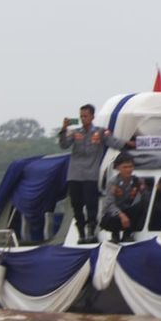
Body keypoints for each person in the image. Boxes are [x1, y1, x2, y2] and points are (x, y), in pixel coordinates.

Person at [59, 104, 133, 244]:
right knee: (77, 206)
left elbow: (114, 142)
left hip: (90, 175)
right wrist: (64, 129)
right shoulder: (75, 133)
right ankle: (81, 234)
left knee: (91, 205)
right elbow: (64, 145)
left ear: (92, 116)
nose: (83, 119)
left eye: (85, 116)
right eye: (81, 116)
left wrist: (130, 144)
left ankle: (91, 232)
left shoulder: (100, 132)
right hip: (74, 175)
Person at [99, 153, 147, 244]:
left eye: (131, 167)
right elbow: (109, 204)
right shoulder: (113, 182)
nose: (129, 170)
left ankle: (127, 235)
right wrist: (121, 215)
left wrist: (143, 189)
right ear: (118, 168)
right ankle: (115, 236)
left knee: (141, 207)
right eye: (125, 167)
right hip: (113, 214)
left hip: (127, 210)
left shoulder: (137, 180)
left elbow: (145, 195)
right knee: (113, 217)